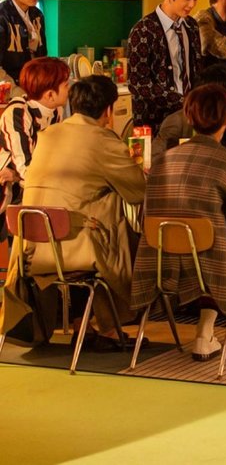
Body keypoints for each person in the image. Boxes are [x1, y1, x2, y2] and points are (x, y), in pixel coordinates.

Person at [0, 75, 146, 349]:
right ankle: (111, 325)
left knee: (87, 212)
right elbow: (138, 191)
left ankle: (86, 324)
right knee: (117, 223)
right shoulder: (103, 140)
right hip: (75, 247)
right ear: (108, 110)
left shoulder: (47, 136)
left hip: (31, 249)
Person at [130, 83, 226, 361]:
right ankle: (222, 325)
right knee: (225, 248)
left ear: (188, 117)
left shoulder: (160, 162)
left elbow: (145, 215)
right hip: (210, 264)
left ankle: (207, 332)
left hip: (158, 262)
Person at [127, 0, 204, 136]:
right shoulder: (143, 30)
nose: (192, 5)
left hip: (190, 117)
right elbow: (137, 82)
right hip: (154, 122)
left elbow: (197, 69)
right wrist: (181, 101)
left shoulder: (191, 26)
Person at [0, 57, 70, 238]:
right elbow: (26, 169)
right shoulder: (18, 113)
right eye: (65, 85)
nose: (69, 89)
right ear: (50, 95)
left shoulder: (55, 111)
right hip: (8, 193)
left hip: (27, 189)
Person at [0, 0, 47, 96]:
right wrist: (15, 91)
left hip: (34, 88)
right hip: (9, 92)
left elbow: (42, 56)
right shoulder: (2, 16)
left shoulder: (37, 15)